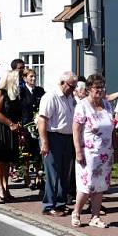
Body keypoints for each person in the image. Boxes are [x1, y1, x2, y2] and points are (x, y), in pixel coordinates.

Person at [71, 74, 113, 228]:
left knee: (100, 185)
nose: (100, 90)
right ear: (89, 89)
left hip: (105, 152)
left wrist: (113, 148)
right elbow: (76, 130)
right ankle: (76, 212)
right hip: (88, 152)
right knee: (87, 185)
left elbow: (111, 126)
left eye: (102, 87)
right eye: (97, 87)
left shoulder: (107, 105)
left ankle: (95, 216)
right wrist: (78, 151)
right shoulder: (82, 106)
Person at [38, 71, 77, 216]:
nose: (73, 89)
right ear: (62, 83)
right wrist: (44, 142)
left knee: (64, 172)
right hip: (53, 136)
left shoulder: (70, 97)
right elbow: (42, 120)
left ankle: (61, 203)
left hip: (67, 137)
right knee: (53, 172)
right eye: (71, 86)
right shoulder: (51, 97)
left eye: (74, 87)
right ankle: (49, 205)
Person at [0, 70, 23, 202]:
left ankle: (6, 187)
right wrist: (11, 123)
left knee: (7, 160)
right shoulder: (0, 92)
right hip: (0, 127)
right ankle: (0, 188)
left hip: (10, 127)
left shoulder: (13, 94)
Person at [19, 68, 45, 189]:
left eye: (34, 76)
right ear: (24, 78)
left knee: (38, 152)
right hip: (26, 125)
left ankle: (38, 177)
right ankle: (27, 177)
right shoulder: (21, 91)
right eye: (31, 77)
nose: (33, 79)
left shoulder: (40, 91)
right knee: (26, 153)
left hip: (37, 125)